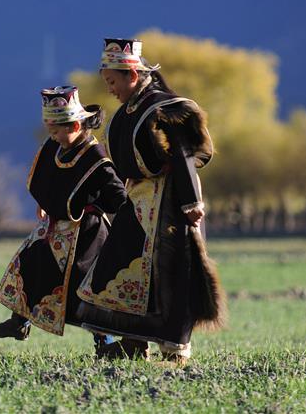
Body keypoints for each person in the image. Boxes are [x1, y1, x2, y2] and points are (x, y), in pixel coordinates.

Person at [75, 38, 226, 366]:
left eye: (112, 82)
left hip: (169, 205)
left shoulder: (163, 108)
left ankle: (175, 350)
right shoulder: (128, 111)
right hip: (140, 200)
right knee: (119, 265)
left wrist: (190, 202)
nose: (110, 89)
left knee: (171, 274)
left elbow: (183, 155)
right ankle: (131, 341)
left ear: (131, 75)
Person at [0, 86, 126, 349]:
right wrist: (45, 202)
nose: (52, 137)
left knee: (87, 287)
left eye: (56, 131)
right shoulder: (56, 146)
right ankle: (19, 320)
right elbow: (49, 178)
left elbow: (117, 197)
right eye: (50, 131)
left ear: (74, 126)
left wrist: (92, 206)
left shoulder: (96, 158)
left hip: (87, 234)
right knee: (30, 262)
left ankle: (105, 340)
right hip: (54, 228)